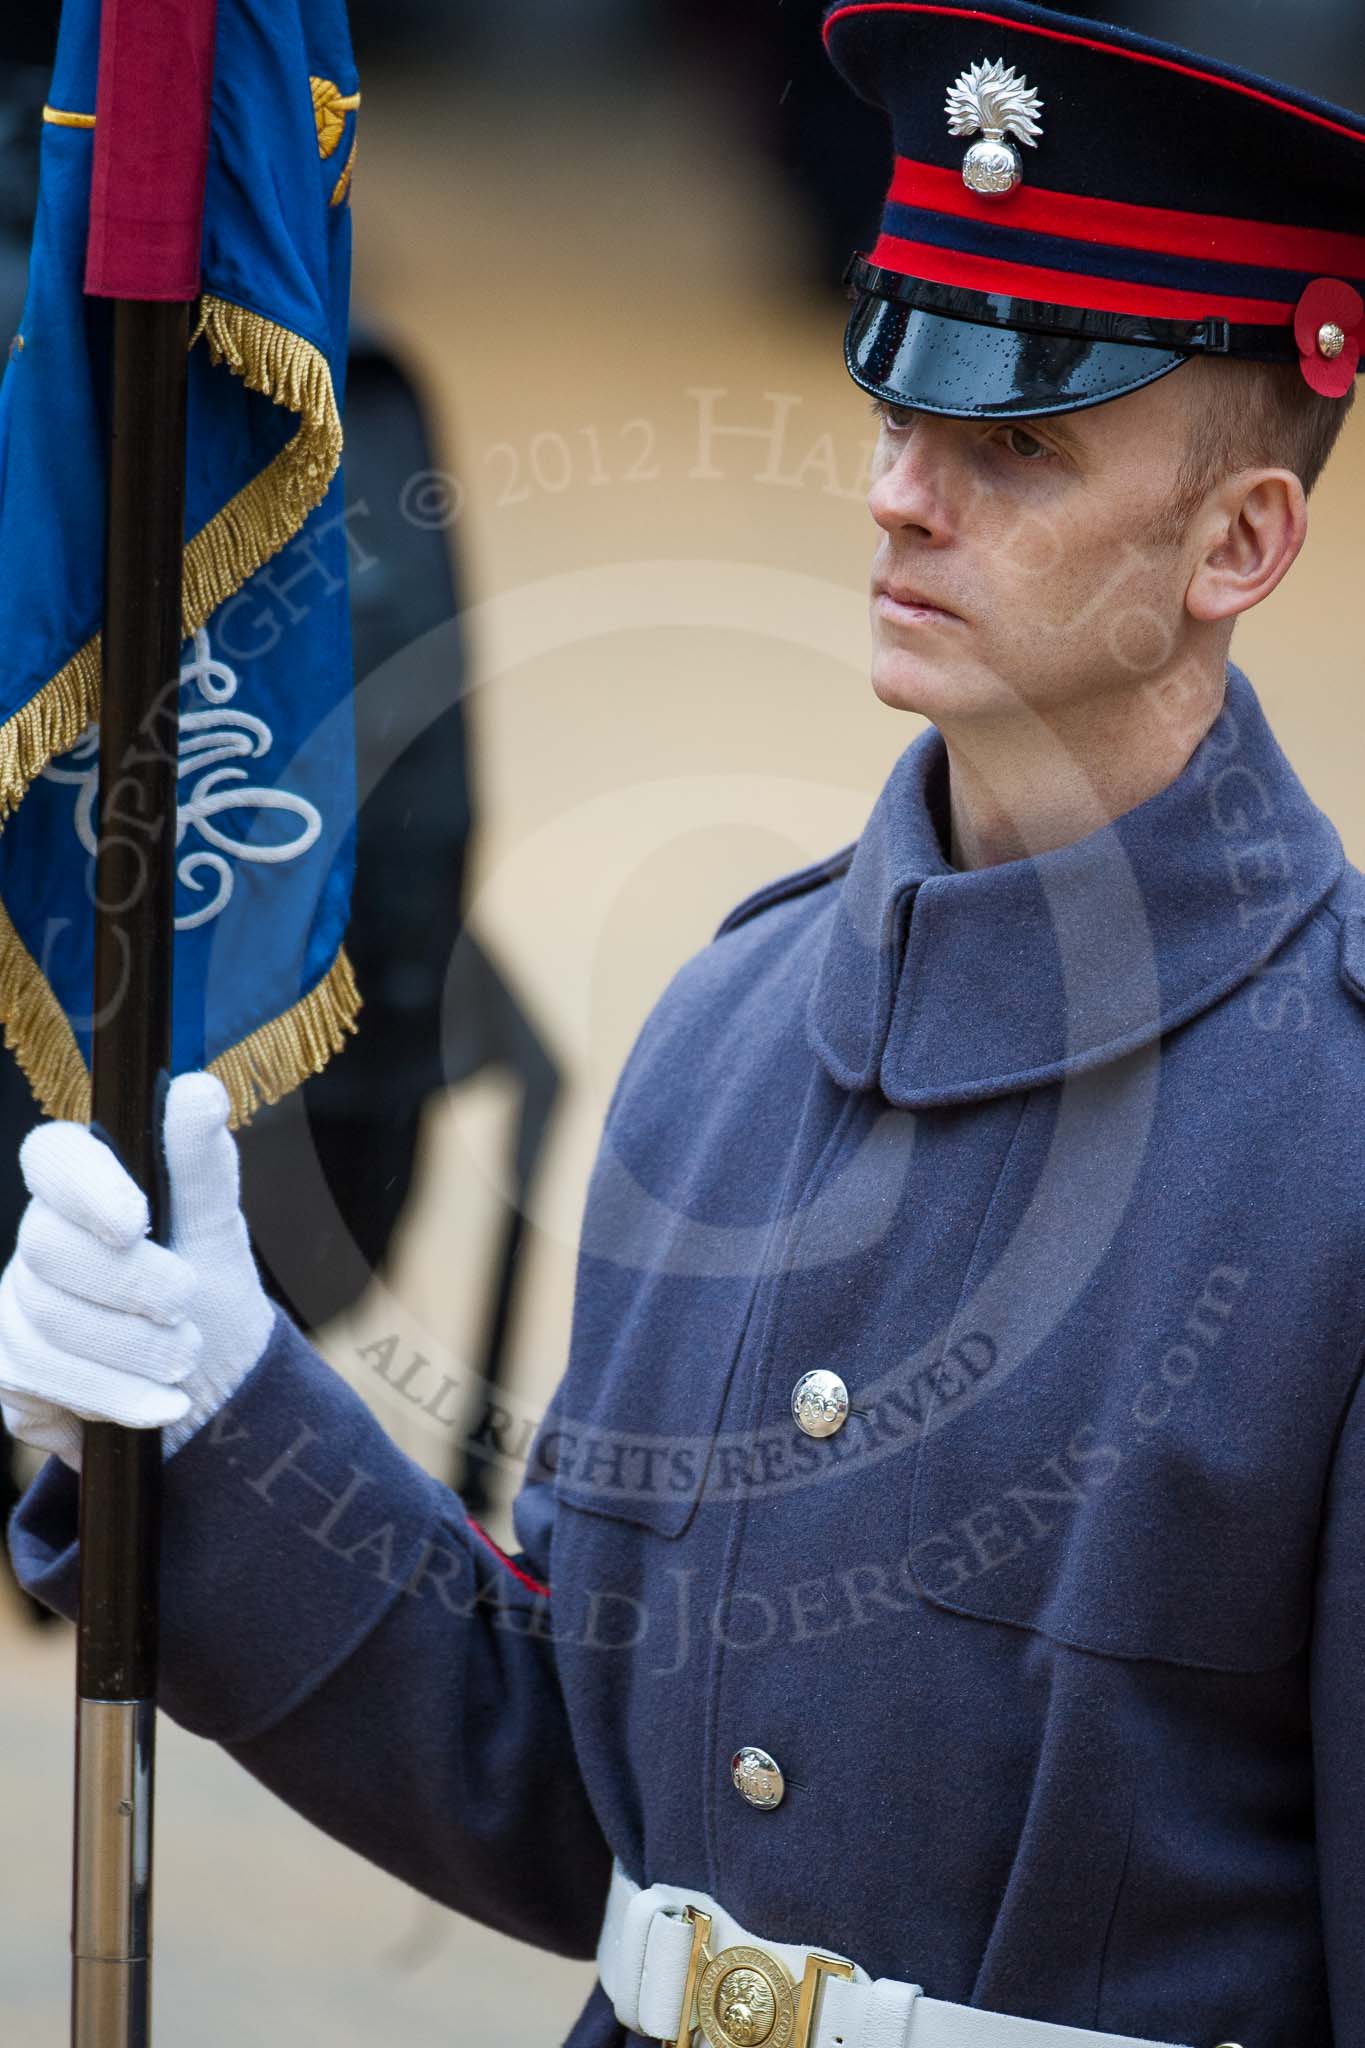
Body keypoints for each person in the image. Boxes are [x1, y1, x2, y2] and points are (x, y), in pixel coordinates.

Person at [6, 3, 1365, 2044]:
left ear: (1235, 543)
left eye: (1016, 446)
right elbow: (571, 1786)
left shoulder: (1335, 1136)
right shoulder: (733, 1023)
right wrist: (219, 1411)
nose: (905, 493)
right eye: (898, 399)